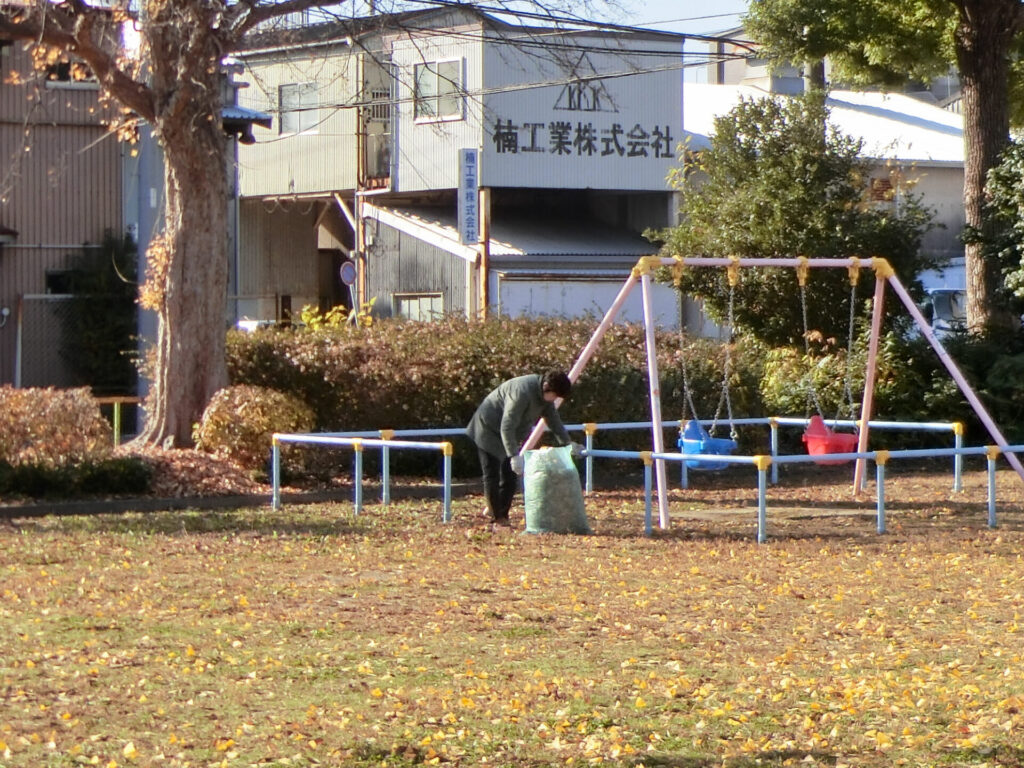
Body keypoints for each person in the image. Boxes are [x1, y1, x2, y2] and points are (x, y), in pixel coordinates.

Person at [466, 370, 576, 526]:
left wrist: (567, 443)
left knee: (510, 476)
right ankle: (497, 517)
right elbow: (507, 426)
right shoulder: (521, 393)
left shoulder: (545, 398)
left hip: (508, 434)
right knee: (492, 474)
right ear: (546, 387)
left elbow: (553, 420)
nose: (555, 399)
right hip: (487, 429)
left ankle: (502, 513)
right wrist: (513, 455)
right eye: (555, 395)